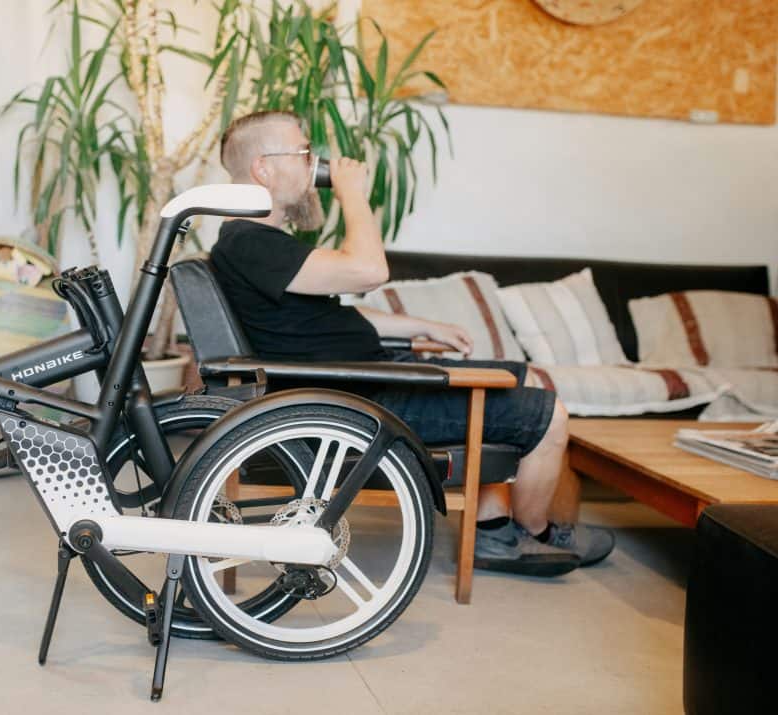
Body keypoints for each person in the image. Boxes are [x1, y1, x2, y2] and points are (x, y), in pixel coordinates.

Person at [209, 110, 614, 576]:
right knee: (550, 414)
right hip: (361, 400)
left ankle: (493, 529)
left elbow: (323, 318)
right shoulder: (249, 243)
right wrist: (353, 194)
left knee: (512, 375)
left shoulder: (255, 243)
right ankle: (538, 533)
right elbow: (369, 270)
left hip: (364, 383)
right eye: (304, 153)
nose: (314, 163)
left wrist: (418, 325)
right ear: (264, 167)